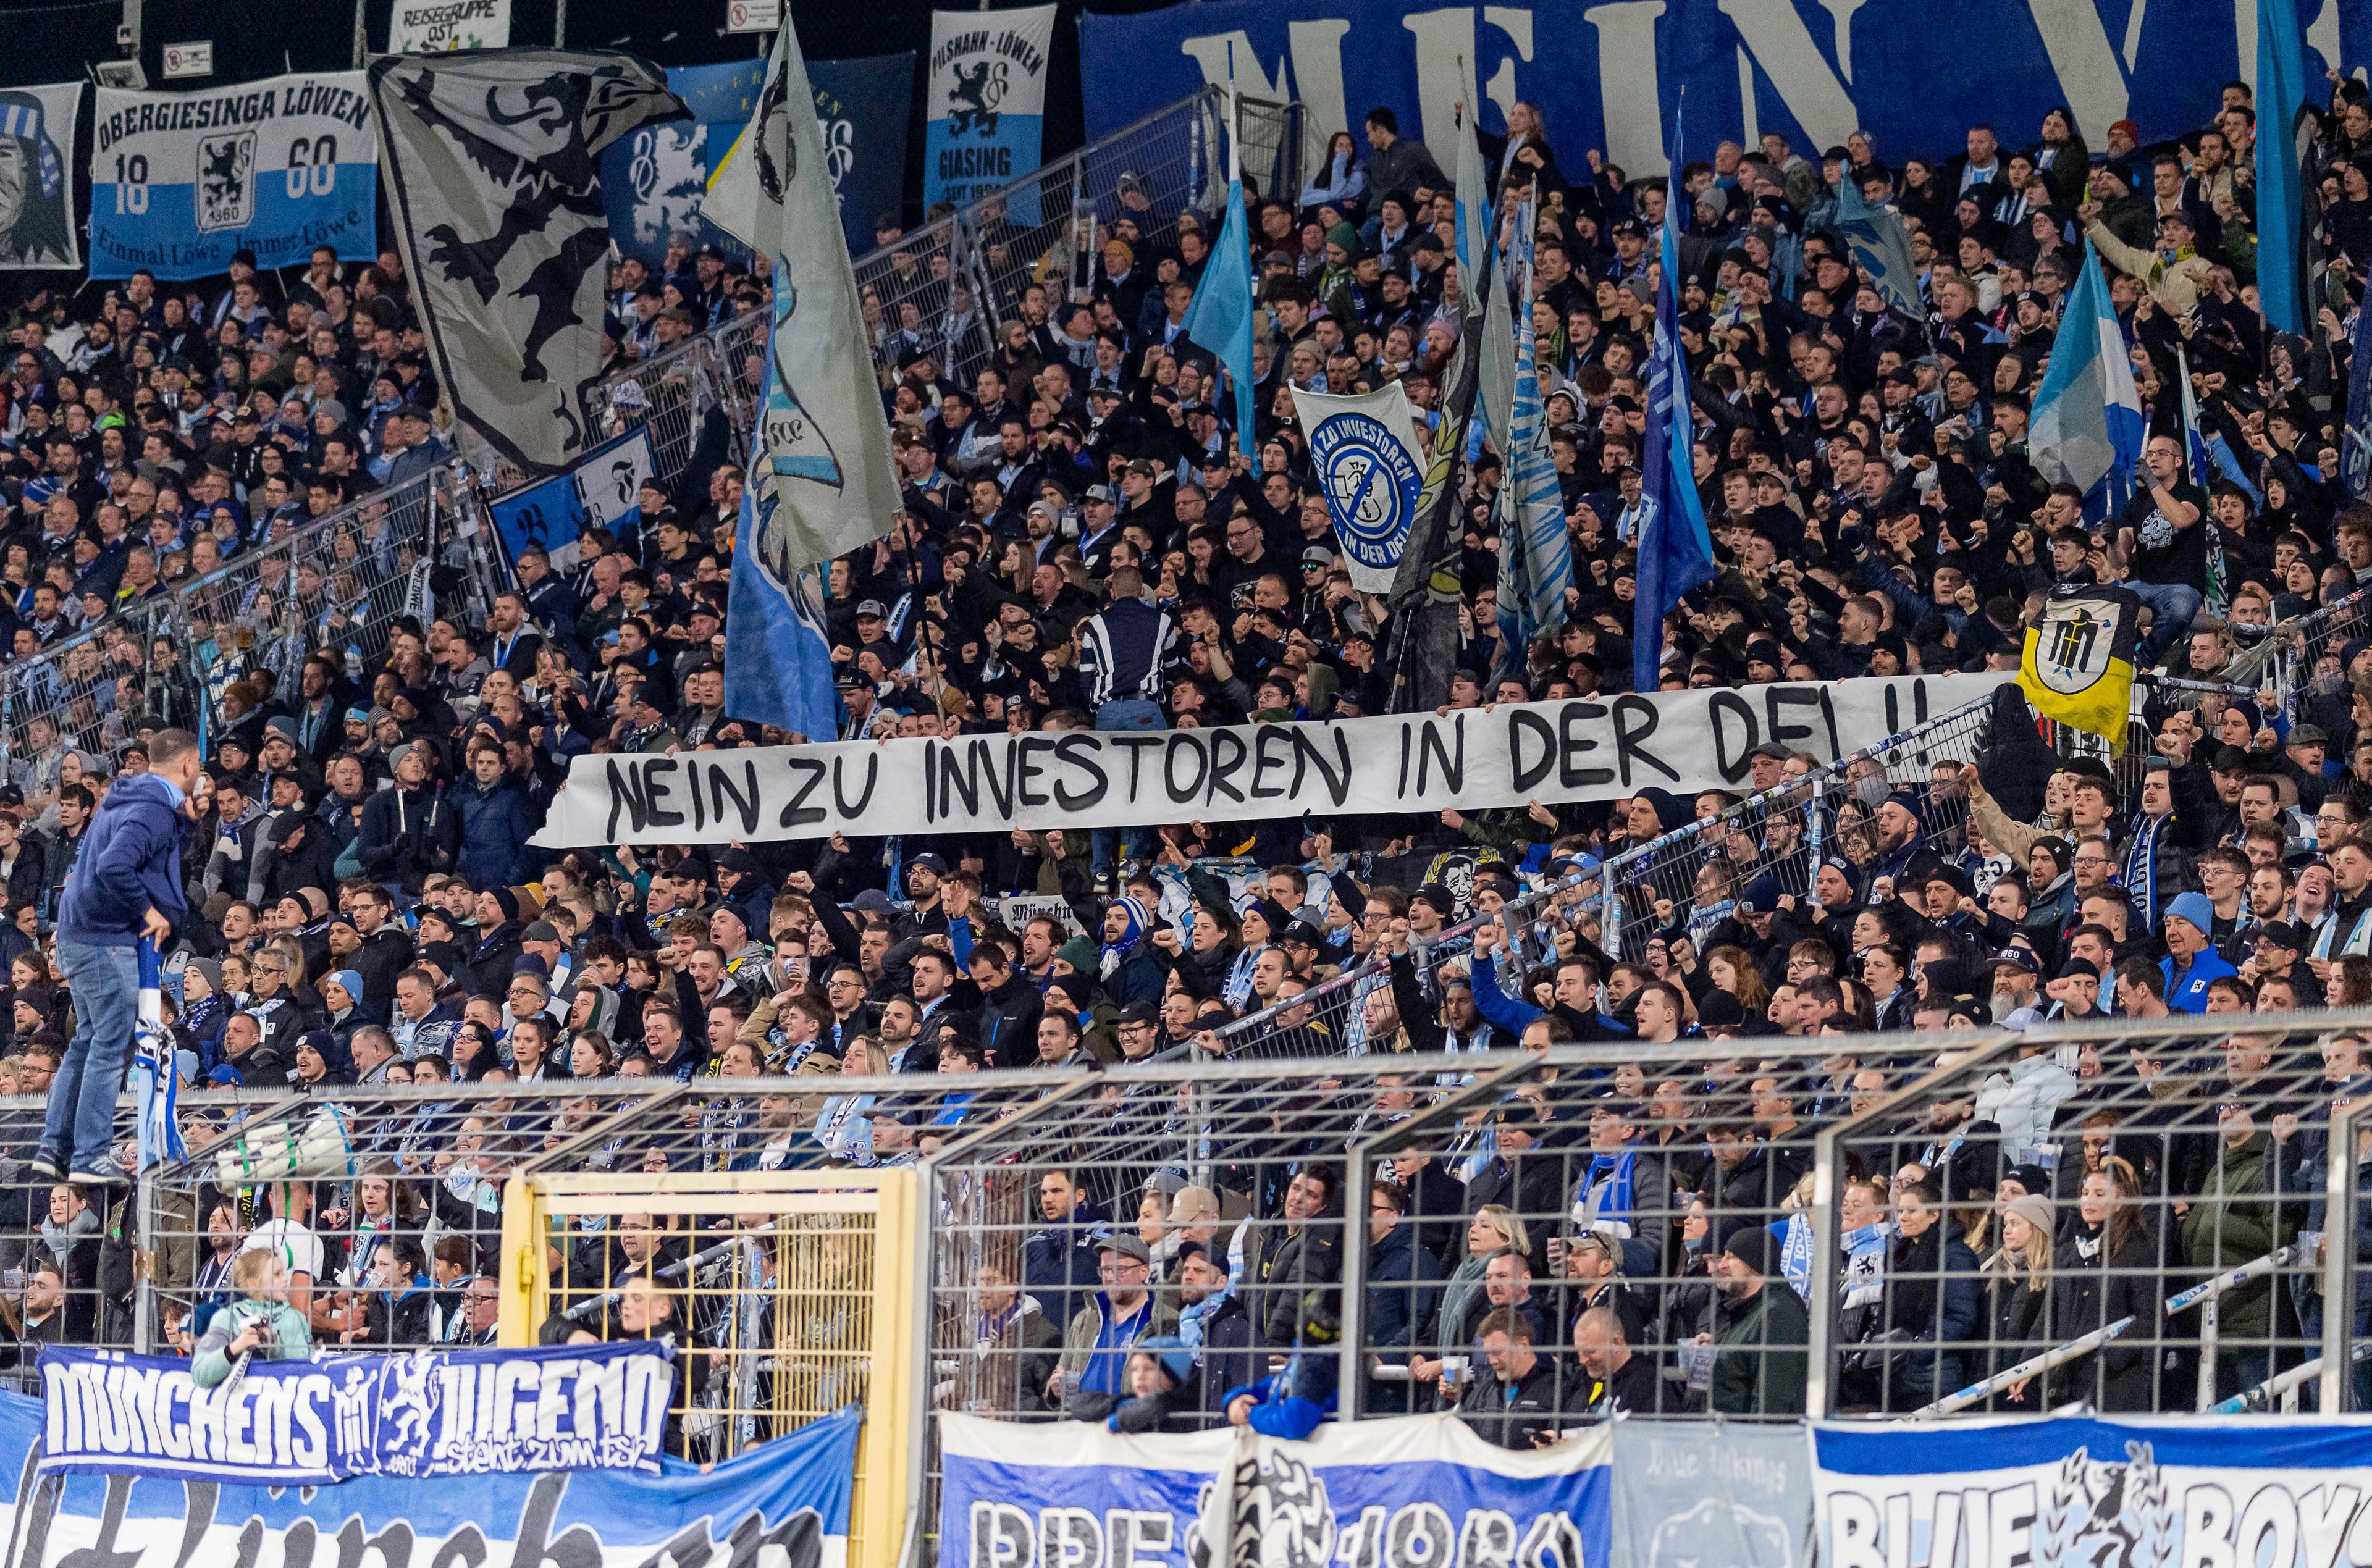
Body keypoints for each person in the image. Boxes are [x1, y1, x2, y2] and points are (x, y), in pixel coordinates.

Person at [40, 727, 202, 1183]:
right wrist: (149, 910)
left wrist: (187, 820)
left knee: (88, 1041)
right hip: (105, 938)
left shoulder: (134, 797)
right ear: (190, 765)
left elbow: (157, 854)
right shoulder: (151, 806)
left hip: (82, 935)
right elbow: (117, 864)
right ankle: (90, 1155)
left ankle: (54, 1148)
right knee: (110, 1046)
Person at [191, 1249, 311, 1388]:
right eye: (277, 1275)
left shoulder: (295, 1318)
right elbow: (200, 1375)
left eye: (283, 1273)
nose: (285, 1280)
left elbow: (310, 1371)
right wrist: (233, 1350)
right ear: (253, 1284)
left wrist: (275, 1346)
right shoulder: (226, 1318)